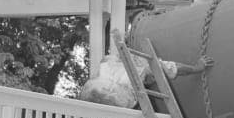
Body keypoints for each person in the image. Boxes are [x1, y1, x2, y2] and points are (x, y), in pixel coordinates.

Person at [79, 43, 211, 108]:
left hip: (90, 93)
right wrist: (196, 68)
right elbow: (174, 69)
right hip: (112, 98)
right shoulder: (145, 67)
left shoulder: (109, 60)